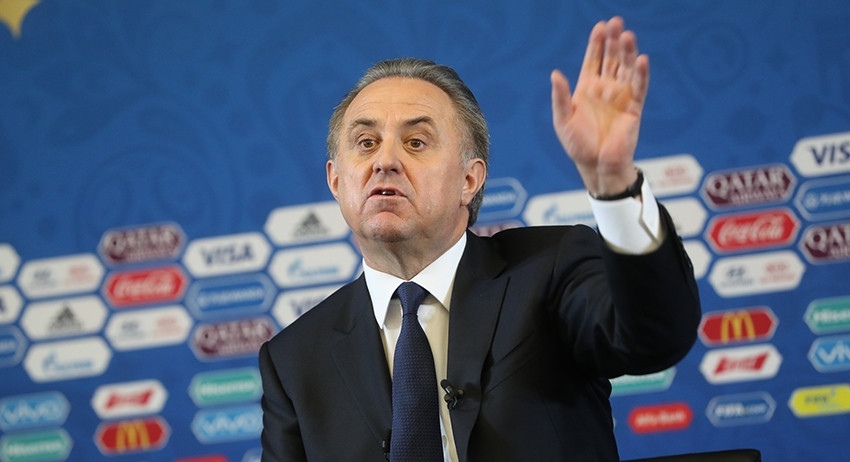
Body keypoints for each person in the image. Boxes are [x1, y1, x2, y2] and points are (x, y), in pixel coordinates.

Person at [259, 16, 701, 462]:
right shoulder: (294, 359)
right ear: (336, 181)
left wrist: (614, 184)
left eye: (416, 142)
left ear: (469, 180)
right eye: (366, 142)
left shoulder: (550, 271)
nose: (385, 160)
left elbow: (655, 337)